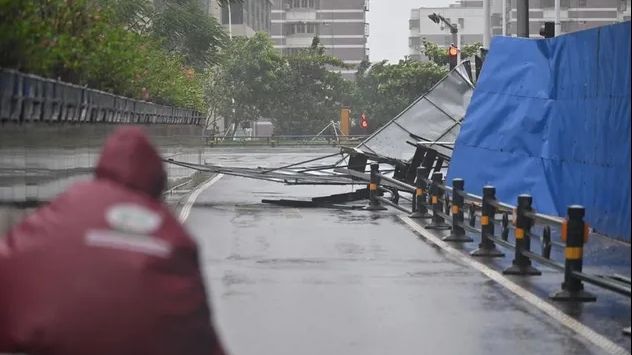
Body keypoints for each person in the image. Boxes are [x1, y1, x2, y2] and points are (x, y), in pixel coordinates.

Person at [0, 126, 228, 355]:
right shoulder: (171, 234)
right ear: (157, 182)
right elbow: (199, 333)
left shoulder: (70, 203)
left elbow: (13, 259)